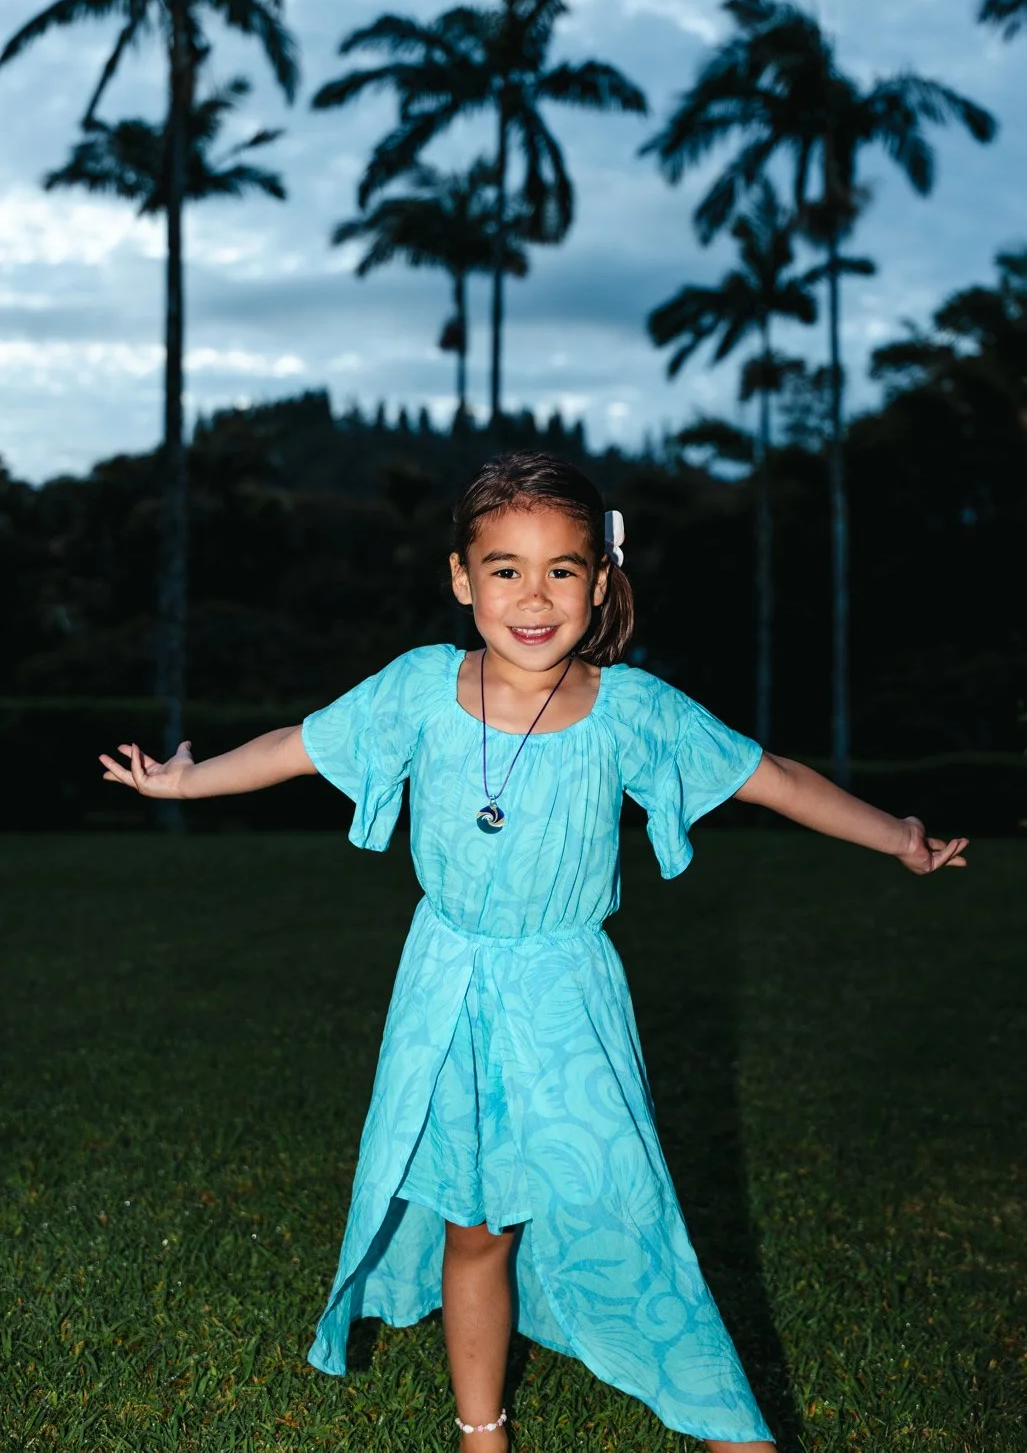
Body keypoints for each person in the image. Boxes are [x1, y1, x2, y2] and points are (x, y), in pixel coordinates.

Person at [100, 450, 968, 1452]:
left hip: (566, 993)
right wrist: (185, 780)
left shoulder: (632, 710)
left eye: (563, 567)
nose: (534, 594)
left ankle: (730, 1425)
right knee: (475, 1221)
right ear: (462, 578)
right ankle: (482, 1429)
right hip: (448, 984)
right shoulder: (420, 689)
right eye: (505, 567)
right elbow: (302, 742)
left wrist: (898, 835)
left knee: (624, 1203)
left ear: (602, 581)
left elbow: (768, 773)